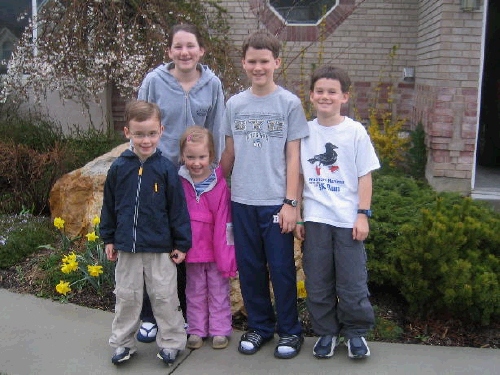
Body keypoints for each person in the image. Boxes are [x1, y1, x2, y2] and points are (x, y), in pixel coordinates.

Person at [220, 29, 309, 359]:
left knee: (282, 268)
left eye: (265, 61)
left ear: (277, 62)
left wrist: (291, 203)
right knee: (251, 267)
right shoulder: (235, 104)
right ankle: (259, 326)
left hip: (276, 202)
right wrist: (213, 187)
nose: (259, 67)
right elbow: (229, 152)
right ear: (244, 63)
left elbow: (294, 157)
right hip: (242, 201)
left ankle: (289, 330)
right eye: (252, 61)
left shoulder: (289, 103)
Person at [136, 23, 225, 342]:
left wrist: (214, 175)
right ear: (169, 51)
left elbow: (216, 129)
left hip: (195, 180)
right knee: (156, 244)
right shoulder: (154, 82)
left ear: (201, 50)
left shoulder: (212, 83)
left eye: (191, 46)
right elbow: (140, 123)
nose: (185, 52)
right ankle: (149, 315)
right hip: (159, 175)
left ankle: (184, 316)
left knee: (186, 245)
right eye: (178, 46)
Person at [294, 65, 380, 360]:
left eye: (332, 92)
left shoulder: (354, 131)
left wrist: (362, 214)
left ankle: (355, 333)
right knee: (317, 283)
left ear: (345, 96)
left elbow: (364, 176)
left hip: (347, 221)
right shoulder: (304, 131)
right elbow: (299, 176)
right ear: (311, 95)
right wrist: (300, 215)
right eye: (320, 91)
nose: (325, 96)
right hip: (316, 220)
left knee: (352, 283)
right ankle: (326, 333)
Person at [101, 100, 191, 365]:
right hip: (127, 248)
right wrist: (108, 238)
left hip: (160, 248)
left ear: (161, 130)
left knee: (165, 297)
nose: (146, 140)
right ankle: (122, 343)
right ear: (127, 132)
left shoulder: (166, 169)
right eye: (139, 134)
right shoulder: (119, 168)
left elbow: (177, 209)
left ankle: (172, 342)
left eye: (151, 133)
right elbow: (110, 206)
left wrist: (181, 243)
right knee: (127, 298)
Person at [178, 126, 237, 350]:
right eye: (190, 157)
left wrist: (226, 255)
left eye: (202, 157)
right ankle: (196, 329)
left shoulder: (219, 185)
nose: (196, 163)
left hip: (215, 250)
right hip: (191, 249)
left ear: (211, 156)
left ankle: (220, 329)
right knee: (194, 290)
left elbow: (225, 223)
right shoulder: (179, 182)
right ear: (183, 156)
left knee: (218, 290)